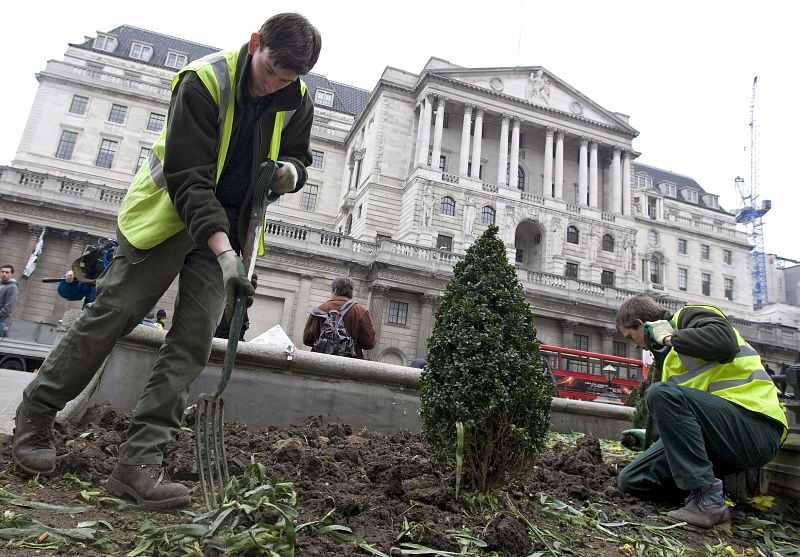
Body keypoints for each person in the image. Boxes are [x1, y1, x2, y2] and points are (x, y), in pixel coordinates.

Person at [12, 13, 322, 510]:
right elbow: (188, 179)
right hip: (170, 214)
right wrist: (223, 252)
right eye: (270, 72)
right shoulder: (202, 82)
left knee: (193, 342)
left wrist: (291, 173)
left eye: (287, 80)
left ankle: (137, 465)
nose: (273, 88)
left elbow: (300, 157)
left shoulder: (295, 95)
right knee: (113, 315)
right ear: (255, 43)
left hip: (231, 226)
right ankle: (37, 413)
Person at [615, 295, 787, 529]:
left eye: (629, 336)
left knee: (660, 393)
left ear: (641, 325)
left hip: (755, 427)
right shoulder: (668, 361)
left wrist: (668, 337)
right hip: (720, 436)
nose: (634, 345)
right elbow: (687, 417)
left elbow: (724, 343)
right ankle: (705, 501)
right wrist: (656, 436)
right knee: (632, 479)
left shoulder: (689, 315)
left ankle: (709, 501)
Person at [302, 277, 376, 359]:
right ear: (351, 292)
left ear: (335, 290)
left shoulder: (319, 310)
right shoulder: (361, 311)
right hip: (350, 364)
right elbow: (369, 343)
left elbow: (307, 340)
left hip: (322, 361)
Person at [0, 264, 19, 337]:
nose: (4, 274)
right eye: (2, 271)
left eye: (7, 272)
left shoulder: (12, 287)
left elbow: (9, 307)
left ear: (11, 275)